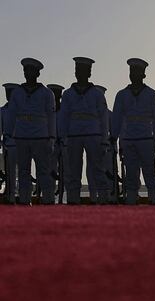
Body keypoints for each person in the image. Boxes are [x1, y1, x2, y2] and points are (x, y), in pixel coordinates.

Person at [111, 58, 155, 205]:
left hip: (146, 138)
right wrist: (114, 137)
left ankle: (154, 198)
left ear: (143, 75)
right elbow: (117, 118)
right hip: (128, 139)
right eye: (131, 71)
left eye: (136, 72)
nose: (133, 74)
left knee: (149, 172)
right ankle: (131, 199)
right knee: (131, 173)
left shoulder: (151, 94)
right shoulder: (121, 95)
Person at [7, 58, 56, 205]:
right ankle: (24, 200)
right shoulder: (17, 93)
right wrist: (8, 133)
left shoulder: (47, 93)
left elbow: (51, 116)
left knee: (44, 171)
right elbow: (11, 114)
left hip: (41, 135)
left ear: (37, 73)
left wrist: (52, 136)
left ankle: (48, 199)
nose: (27, 73)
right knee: (23, 171)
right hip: (22, 135)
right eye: (25, 71)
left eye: (31, 71)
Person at [60, 57, 109, 204]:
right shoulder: (68, 94)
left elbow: (103, 117)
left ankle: (103, 200)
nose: (79, 73)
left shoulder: (97, 94)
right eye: (78, 70)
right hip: (74, 134)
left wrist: (104, 139)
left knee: (98, 170)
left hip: (93, 135)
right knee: (73, 171)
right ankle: (73, 200)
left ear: (89, 73)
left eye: (83, 70)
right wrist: (63, 137)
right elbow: (63, 117)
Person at [2, 83, 19, 203]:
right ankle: (11, 196)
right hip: (9, 145)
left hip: (23, 144)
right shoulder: (2, 111)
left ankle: (24, 196)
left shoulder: (22, 111)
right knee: (10, 174)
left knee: (24, 172)